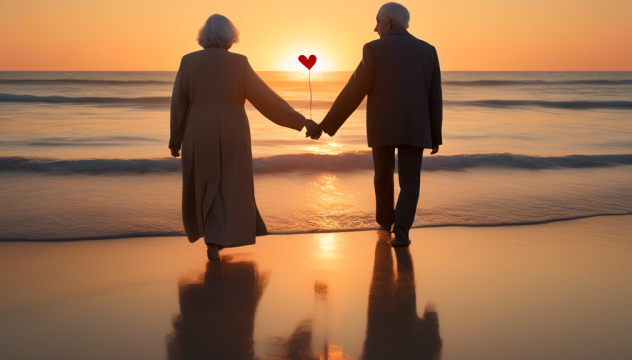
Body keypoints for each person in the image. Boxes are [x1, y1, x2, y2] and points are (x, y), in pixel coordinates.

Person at [169, 14, 322, 260]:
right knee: (228, 184)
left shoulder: (188, 61)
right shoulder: (239, 63)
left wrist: (175, 140)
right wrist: (302, 122)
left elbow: (179, 104)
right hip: (233, 129)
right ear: (231, 37)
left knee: (204, 183)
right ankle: (217, 239)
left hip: (198, 131)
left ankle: (213, 238)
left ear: (203, 36)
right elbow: (266, 100)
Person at [308, 2, 443, 247]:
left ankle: (385, 222)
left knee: (382, 176)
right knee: (411, 182)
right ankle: (401, 232)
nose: (375, 28)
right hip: (417, 127)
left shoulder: (373, 49)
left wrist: (325, 125)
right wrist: (435, 135)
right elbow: (435, 96)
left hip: (383, 127)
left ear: (388, 22)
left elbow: (353, 91)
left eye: (377, 22)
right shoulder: (428, 50)